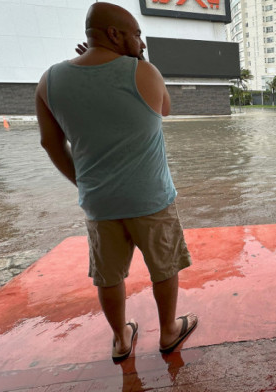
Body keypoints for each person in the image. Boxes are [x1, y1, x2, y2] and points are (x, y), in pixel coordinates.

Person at [35, 2, 197, 362]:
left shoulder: (49, 80)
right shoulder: (144, 72)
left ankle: (121, 340)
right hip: (151, 198)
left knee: (108, 276)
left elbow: (50, 142)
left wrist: (83, 182)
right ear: (114, 34)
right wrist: (138, 60)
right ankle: (169, 331)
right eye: (136, 34)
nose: (141, 42)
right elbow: (165, 108)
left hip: (99, 203)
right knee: (164, 267)